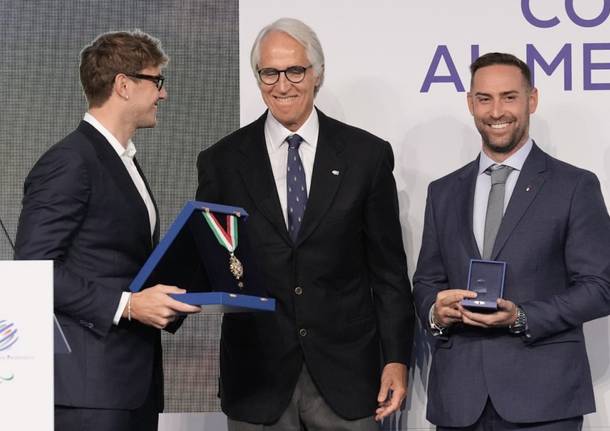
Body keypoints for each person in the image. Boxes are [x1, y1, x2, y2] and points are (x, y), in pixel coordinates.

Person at [196, 17, 414, 431]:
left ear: (317, 74)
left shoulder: (366, 156)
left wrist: (397, 359)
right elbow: (215, 261)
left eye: (295, 70)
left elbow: (388, 272)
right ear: (258, 77)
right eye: (269, 73)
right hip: (257, 380)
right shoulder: (221, 161)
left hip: (347, 377)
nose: (282, 85)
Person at [413, 52, 610, 430]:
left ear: (531, 99)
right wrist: (436, 312)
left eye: (509, 97)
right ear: (470, 104)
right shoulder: (443, 192)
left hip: (543, 400)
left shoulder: (573, 186)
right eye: (484, 99)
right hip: (459, 399)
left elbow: (600, 287)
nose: (496, 111)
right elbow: (426, 281)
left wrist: (522, 316)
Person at [14, 30, 200, 431]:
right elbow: (33, 270)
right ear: (123, 85)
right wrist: (128, 305)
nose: (162, 95)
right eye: (156, 81)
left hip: (128, 386)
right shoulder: (71, 161)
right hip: (88, 395)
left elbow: (118, 262)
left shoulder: (121, 160)